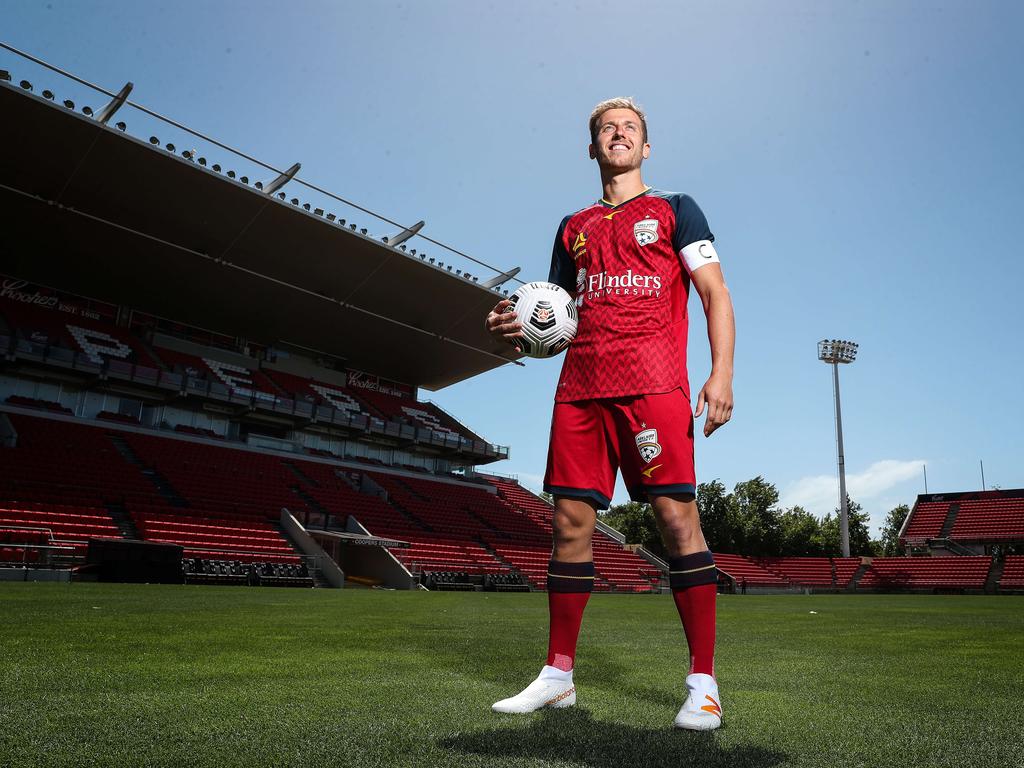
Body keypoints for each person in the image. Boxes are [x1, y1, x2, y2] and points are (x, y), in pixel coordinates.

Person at [484, 97, 736, 730]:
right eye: (606, 130)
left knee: (678, 521)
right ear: (591, 148)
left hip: (653, 388)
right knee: (569, 525)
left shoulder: (676, 209)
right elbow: (552, 326)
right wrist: (511, 331)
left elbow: (714, 291)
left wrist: (721, 373)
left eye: (629, 129)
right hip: (580, 390)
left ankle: (703, 684)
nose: (617, 135)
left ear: (645, 147)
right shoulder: (572, 226)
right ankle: (558, 676)